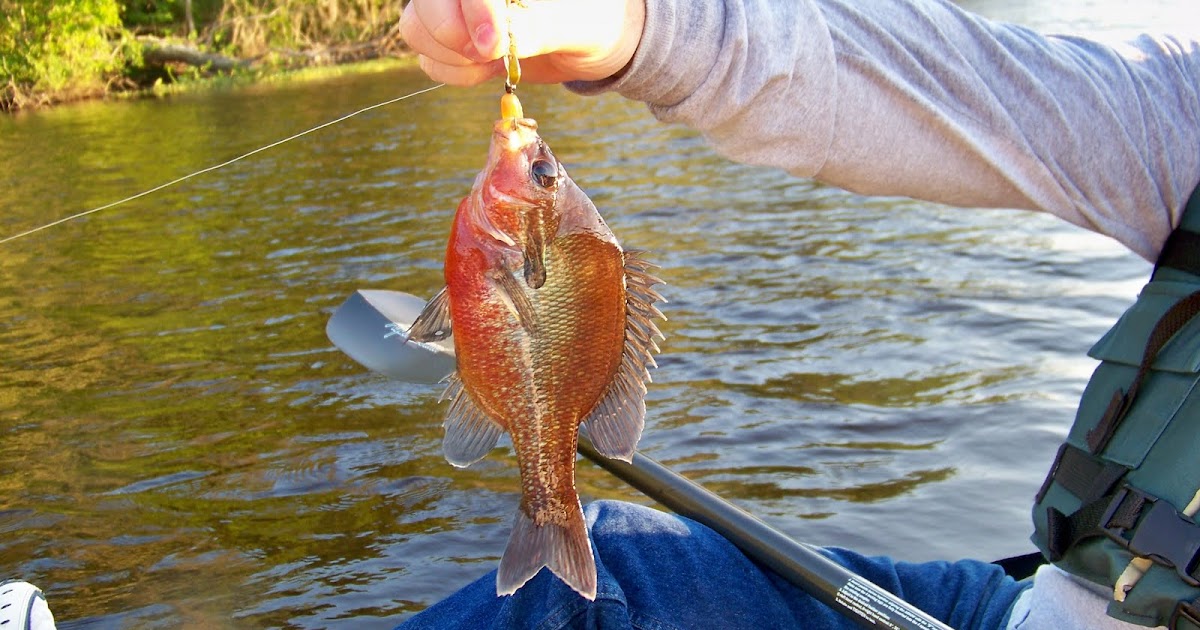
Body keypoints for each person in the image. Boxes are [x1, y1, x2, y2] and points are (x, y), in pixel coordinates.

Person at [396, 0, 1200, 628]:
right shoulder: (1183, 113)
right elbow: (959, 86)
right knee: (600, 576)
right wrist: (636, 31)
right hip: (1038, 607)